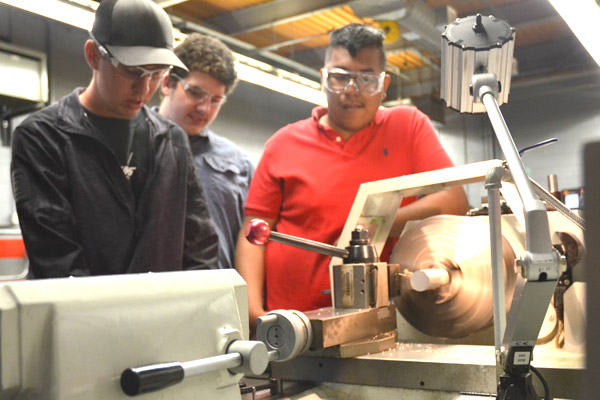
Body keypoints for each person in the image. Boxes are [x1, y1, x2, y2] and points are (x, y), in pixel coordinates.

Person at [235, 23, 469, 332]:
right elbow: (253, 233)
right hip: (294, 321)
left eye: (367, 79)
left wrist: (372, 225)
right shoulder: (283, 143)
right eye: (340, 77)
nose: (352, 90)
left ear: (384, 85)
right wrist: (254, 311)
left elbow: (454, 200)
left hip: (380, 318)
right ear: (323, 78)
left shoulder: (407, 127)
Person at [11, 0, 218, 278]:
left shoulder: (172, 141)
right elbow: (56, 260)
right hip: (83, 316)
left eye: (157, 73)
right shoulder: (44, 136)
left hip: (165, 315)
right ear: (93, 55)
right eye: (132, 71)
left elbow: (200, 247)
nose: (144, 88)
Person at [158, 33, 253, 269]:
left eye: (215, 100)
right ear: (167, 83)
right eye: (195, 92)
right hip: (152, 293)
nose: (204, 108)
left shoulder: (238, 164)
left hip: (219, 295)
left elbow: (249, 244)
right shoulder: (132, 145)